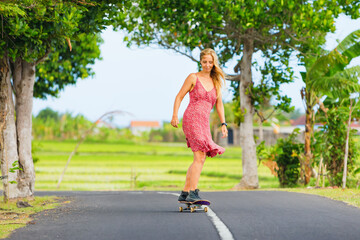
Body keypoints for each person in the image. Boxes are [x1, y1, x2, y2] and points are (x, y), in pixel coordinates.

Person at [171, 48, 228, 203]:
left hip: (204, 122)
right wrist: (175, 115)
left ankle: (184, 192)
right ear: (200, 62)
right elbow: (179, 96)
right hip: (191, 118)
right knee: (200, 156)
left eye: (210, 62)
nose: (207, 65)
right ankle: (192, 193)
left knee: (200, 158)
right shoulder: (193, 77)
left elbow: (219, 105)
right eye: (205, 62)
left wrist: (223, 123)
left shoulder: (216, 82)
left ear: (214, 62)